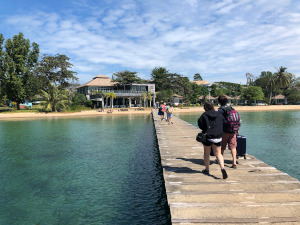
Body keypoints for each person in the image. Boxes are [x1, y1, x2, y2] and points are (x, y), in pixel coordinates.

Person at [198, 101, 228, 179]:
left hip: (208, 137)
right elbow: (224, 123)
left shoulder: (204, 115)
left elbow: (200, 124)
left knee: (206, 153)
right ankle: (222, 168)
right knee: (218, 154)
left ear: (205, 107)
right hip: (218, 136)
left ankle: (207, 170)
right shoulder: (219, 114)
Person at [217, 95, 240, 169]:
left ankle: (220, 161)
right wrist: (237, 129)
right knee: (233, 146)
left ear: (219, 102)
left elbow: (218, 121)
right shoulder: (231, 108)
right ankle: (234, 162)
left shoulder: (220, 110)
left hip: (224, 131)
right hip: (233, 131)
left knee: (222, 146)